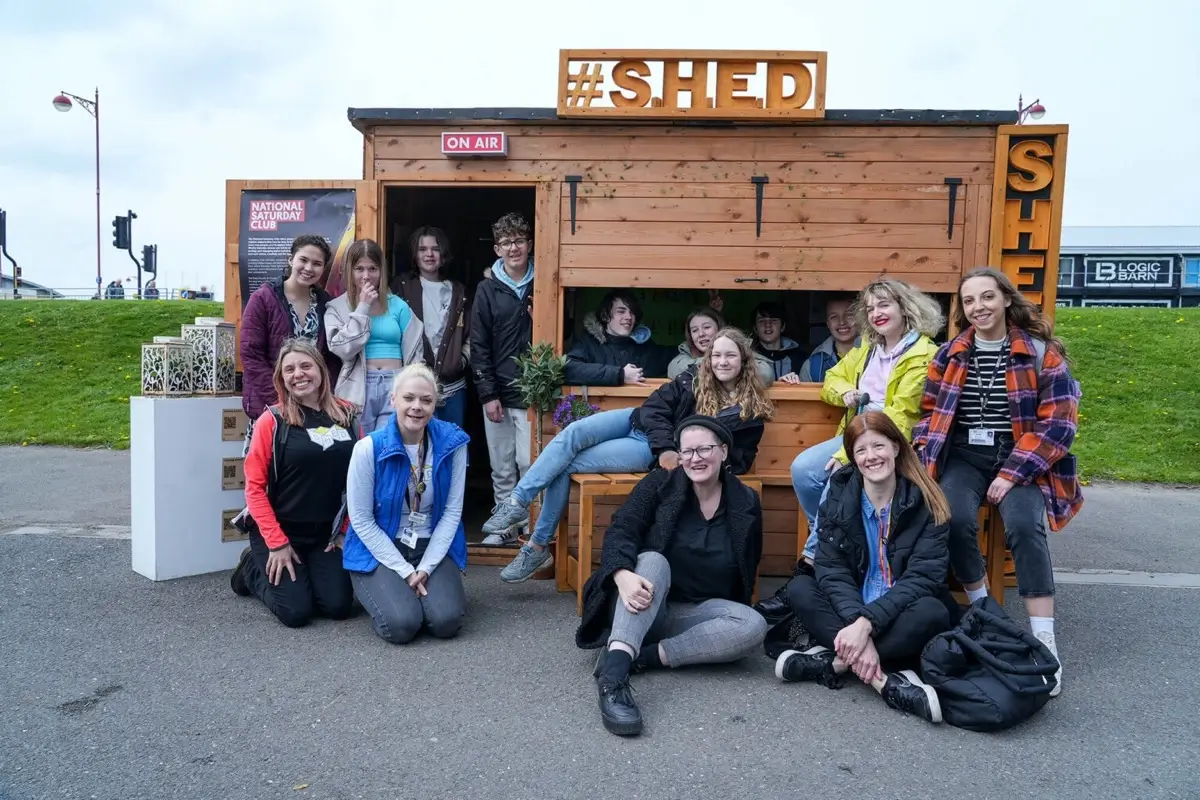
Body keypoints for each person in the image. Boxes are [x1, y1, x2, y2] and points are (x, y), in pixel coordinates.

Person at [483, 328, 774, 581]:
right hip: (637, 423)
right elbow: (654, 407)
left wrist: (683, 458)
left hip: (644, 447)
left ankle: (537, 546)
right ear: (708, 359)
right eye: (716, 355)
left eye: (730, 356)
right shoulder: (692, 379)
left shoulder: (748, 412)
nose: (722, 362)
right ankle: (517, 502)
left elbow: (740, 458)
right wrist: (667, 448)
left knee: (565, 465)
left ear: (744, 361)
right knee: (571, 434)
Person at [913, 266, 1082, 695]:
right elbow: (929, 414)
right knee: (949, 518)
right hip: (964, 455)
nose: (978, 308)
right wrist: (923, 451)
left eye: (987, 297)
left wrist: (1012, 473)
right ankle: (985, 613)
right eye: (969, 301)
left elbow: (1059, 426)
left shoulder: (1042, 354)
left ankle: (1045, 640)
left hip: (1019, 455)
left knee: (1026, 526)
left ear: (1006, 299)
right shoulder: (948, 354)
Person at [578, 417, 769, 736]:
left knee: (753, 624)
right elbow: (621, 530)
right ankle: (613, 678)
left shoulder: (746, 502)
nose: (696, 458)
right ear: (679, 456)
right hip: (641, 599)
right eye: (688, 451)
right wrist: (622, 574)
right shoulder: (659, 484)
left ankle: (643, 657)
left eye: (704, 449)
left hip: (692, 614)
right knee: (653, 560)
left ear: (723, 452)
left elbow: (748, 564)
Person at [774, 411, 952, 725]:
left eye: (878, 446)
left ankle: (832, 663)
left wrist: (866, 625)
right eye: (861, 450)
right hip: (850, 608)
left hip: (898, 611)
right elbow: (831, 569)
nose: (871, 457)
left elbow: (923, 578)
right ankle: (885, 681)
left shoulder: (927, 501)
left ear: (896, 448)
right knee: (801, 587)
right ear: (853, 458)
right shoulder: (838, 496)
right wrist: (858, 622)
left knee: (934, 612)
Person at [790, 278, 943, 566]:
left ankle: (815, 560)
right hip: (855, 432)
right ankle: (830, 533)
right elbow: (831, 379)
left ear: (905, 308)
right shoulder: (868, 349)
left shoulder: (925, 353)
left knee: (834, 481)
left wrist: (847, 453)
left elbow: (901, 415)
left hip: (894, 442)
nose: (876, 313)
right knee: (803, 470)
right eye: (870, 309)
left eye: (884, 305)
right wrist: (846, 392)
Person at [228, 339, 358, 628]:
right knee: (296, 613)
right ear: (281, 378)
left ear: (321, 370)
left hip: (326, 535)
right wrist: (276, 543)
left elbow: (359, 481)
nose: (298, 374)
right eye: (289, 369)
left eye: (305, 366)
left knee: (337, 607)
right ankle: (251, 568)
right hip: (279, 531)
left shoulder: (348, 415)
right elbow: (254, 488)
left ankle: (305, 573)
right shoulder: (271, 421)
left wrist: (344, 531)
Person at [342, 363, 471, 644]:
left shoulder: (454, 444)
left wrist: (425, 568)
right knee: (402, 626)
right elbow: (361, 520)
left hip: (429, 543)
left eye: (426, 400)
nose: (417, 407)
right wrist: (403, 571)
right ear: (393, 400)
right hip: (381, 546)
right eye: (409, 398)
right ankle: (391, 593)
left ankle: (412, 594)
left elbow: (451, 513)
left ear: (435, 404)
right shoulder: (368, 448)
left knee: (446, 621)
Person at [240, 235, 342, 455]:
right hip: (273, 408)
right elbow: (250, 354)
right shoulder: (264, 298)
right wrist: (281, 402)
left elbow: (331, 357)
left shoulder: (326, 303)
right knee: (267, 478)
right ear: (290, 260)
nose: (308, 268)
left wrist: (324, 398)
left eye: (317, 264)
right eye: (303, 260)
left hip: (315, 409)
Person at [470, 212, 534, 529]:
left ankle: (528, 527)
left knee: (528, 462)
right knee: (502, 466)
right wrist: (488, 394)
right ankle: (504, 526)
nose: (513, 248)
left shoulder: (542, 282)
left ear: (529, 244)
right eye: (506, 242)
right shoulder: (487, 289)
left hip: (533, 390)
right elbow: (478, 345)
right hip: (497, 391)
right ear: (497, 249)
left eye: (519, 241)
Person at [325, 239, 423, 433]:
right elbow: (341, 349)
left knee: (389, 444)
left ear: (381, 271)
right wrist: (362, 308)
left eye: (373, 269)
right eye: (359, 269)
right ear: (349, 271)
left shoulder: (398, 305)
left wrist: (412, 387)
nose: (366, 276)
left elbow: (416, 353)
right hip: (359, 386)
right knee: (362, 448)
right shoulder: (336, 308)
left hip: (395, 383)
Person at [392, 226, 471, 428]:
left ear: (443, 254)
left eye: (435, 249)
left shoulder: (458, 291)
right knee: (417, 447)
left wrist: (461, 360)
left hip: (453, 388)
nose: (429, 254)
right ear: (414, 255)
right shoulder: (401, 287)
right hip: (414, 389)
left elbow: (472, 334)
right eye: (422, 249)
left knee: (452, 445)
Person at [563, 290, 675, 386]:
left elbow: (675, 356)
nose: (628, 317)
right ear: (605, 316)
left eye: (632, 313)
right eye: (621, 311)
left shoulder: (646, 347)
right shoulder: (588, 344)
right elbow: (569, 369)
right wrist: (620, 375)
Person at [668, 306, 776, 386]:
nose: (701, 334)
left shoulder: (741, 348)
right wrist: (728, 367)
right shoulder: (686, 353)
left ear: (720, 329)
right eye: (695, 330)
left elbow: (765, 373)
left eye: (706, 327)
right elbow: (674, 369)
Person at [797, 294, 860, 383]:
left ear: (861, 318)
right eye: (834, 317)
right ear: (827, 324)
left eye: (849, 315)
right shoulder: (813, 365)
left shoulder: (876, 355)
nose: (842, 322)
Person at [751, 302, 807, 384]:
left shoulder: (800, 358)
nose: (768, 325)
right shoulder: (747, 358)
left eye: (773, 320)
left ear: (783, 326)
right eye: (762, 321)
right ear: (755, 328)